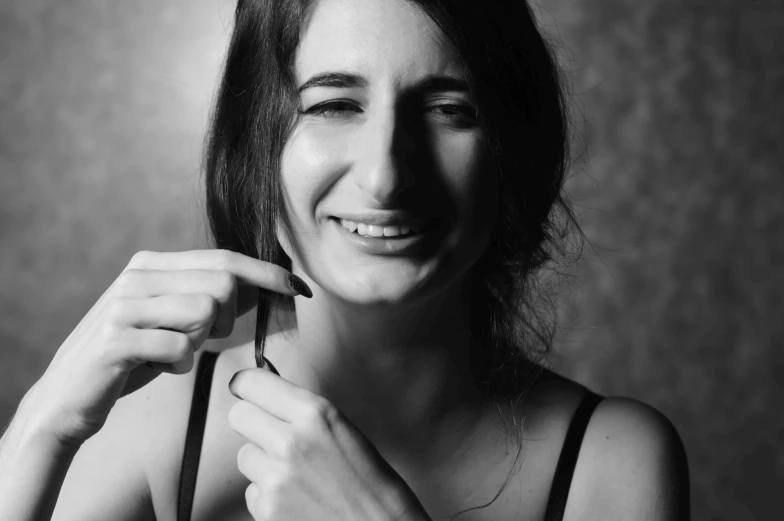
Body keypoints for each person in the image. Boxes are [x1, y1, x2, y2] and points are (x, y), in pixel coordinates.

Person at [0, 0, 691, 520]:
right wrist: (41, 426)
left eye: (449, 110)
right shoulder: (153, 428)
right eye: (334, 104)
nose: (385, 177)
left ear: (515, 150)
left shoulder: (612, 461)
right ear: (258, 146)